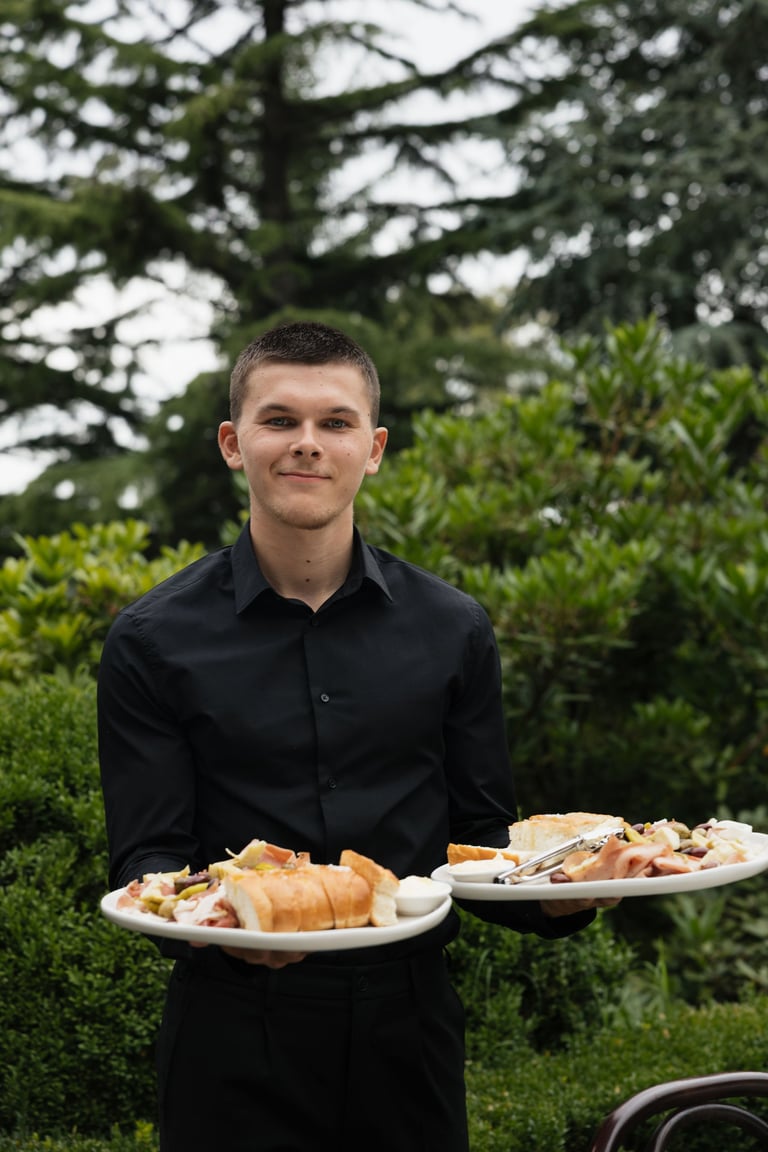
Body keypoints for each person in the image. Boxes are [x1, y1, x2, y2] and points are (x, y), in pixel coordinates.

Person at [98, 320, 610, 1152]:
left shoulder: (454, 629)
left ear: (372, 449)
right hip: (230, 1041)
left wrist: (565, 892)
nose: (307, 444)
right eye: (279, 420)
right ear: (234, 443)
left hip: (409, 1034)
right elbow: (148, 860)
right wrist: (236, 935)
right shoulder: (151, 640)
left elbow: (477, 840)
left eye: (335, 423)